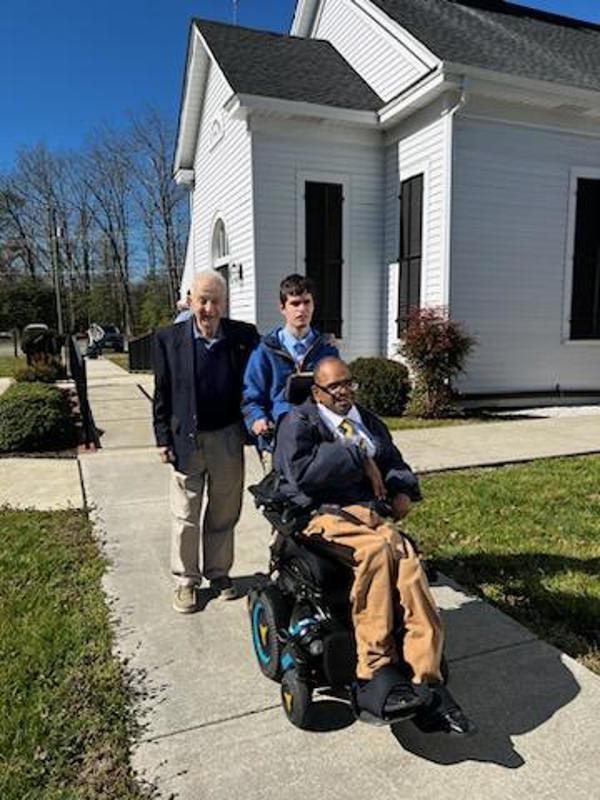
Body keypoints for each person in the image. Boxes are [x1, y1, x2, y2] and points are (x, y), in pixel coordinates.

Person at [273, 356, 475, 734]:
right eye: (335, 387)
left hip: (369, 513)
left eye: (349, 383)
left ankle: (425, 674)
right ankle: (373, 668)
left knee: (409, 561)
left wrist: (401, 487)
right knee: (377, 553)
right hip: (321, 514)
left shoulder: (366, 419)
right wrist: (357, 455)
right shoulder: (298, 422)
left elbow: (393, 459)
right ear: (317, 392)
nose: (345, 391)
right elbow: (299, 475)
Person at [153, 271, 259, 612]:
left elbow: (266, 368)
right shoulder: (169, 339)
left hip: (227, 437)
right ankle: (186, 581)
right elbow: (162, 393)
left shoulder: (244, 336)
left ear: (224, 303)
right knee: (185, 513)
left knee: (224, 511)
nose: (208, 309)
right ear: (190, 299)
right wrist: (162, 438)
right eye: (203, 300)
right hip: (187, 439)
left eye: (215, 301)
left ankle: (218, 573)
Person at [242, 274, 338, 446]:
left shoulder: (326, 348)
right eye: (295, 303)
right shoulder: (266, 350)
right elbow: (251, 397)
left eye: (307, 302)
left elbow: (338, 391)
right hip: (281, 438)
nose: (302, 309)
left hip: (321, 437)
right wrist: (258, 420)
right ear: (282, 307)